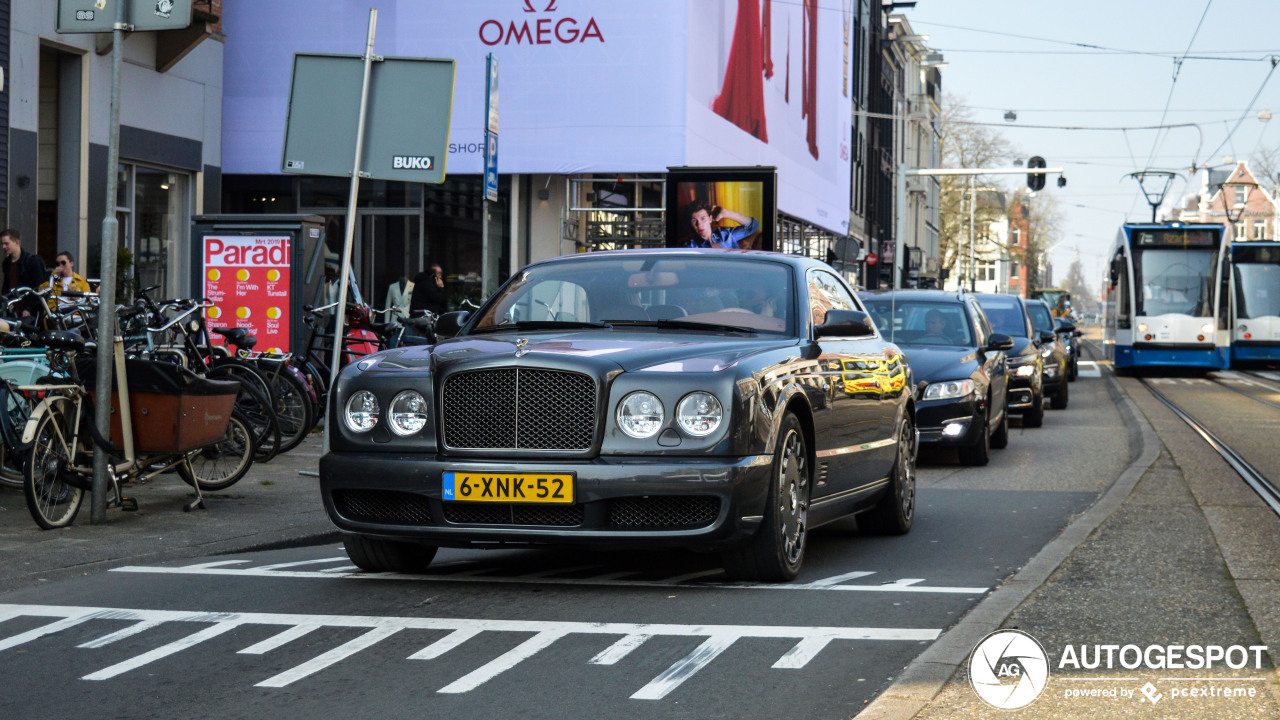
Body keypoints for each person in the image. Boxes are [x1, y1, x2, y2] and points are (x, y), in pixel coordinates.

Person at [685, 202, 760, 249]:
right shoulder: (691, 246)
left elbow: (753, 226)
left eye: (703, 218)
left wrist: (726, 213)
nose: (699, 224)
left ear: (710, 219)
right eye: (694, 221)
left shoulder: (725, 234)